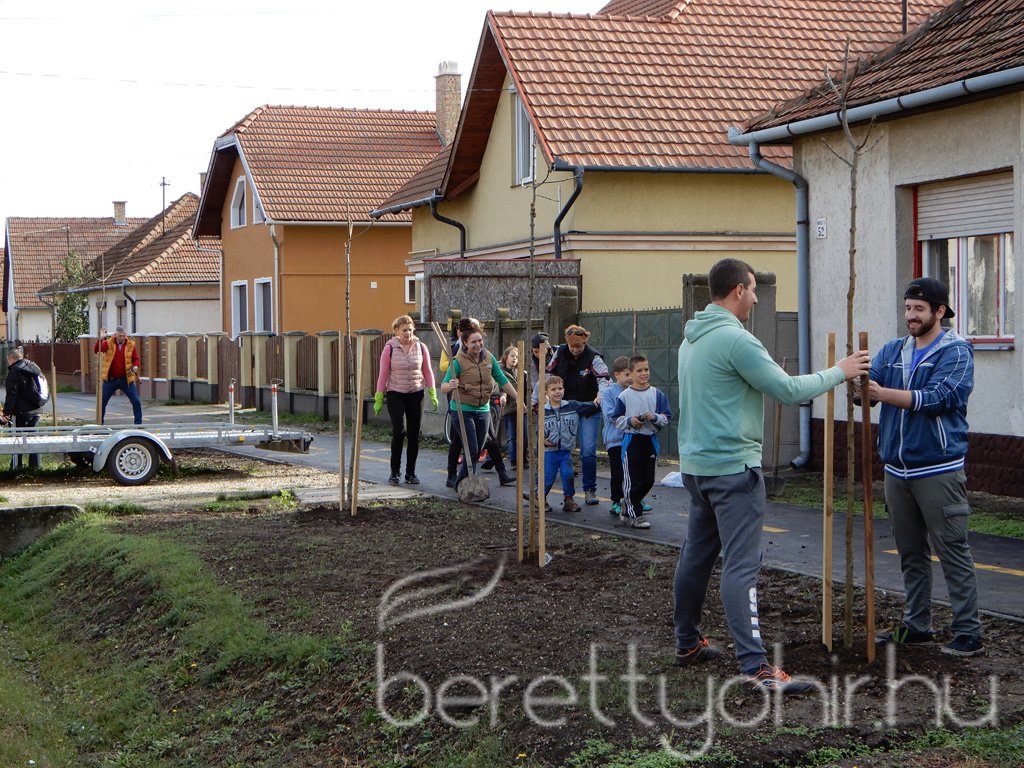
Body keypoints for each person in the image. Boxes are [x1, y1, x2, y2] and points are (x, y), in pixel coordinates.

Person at [673, 257, 870, 693]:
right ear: (738, 291)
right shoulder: (736, 341)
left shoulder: (692, 339)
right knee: (741, 566)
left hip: (697, 469)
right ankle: (756, 667)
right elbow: (787, 389)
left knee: (696, 557)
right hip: (732, 471)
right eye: (753, 288)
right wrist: (842, 371)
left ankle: (687, 642)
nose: (757, 297)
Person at [862, 277, 983, 658]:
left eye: (918, 309)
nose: (910, 316)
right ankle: (918, 625)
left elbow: (940, 398)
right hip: (896, 470)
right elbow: (870, 387)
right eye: (907, 308)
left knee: (952, 548)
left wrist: (883, 396)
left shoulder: (956, 352)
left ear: (939, 311)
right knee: (910, 551)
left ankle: (969, 631)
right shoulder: (893, 350)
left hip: (938, 469)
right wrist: (859, 388)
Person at [440, 326, 517, 490]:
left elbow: (502, 379)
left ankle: (464, 483)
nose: (477, 344)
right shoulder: (458, 361)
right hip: (463, 409)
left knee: (479, 448)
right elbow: (444, 386)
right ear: (465, 343)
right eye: (473, 341)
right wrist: (451, 384)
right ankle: (462, 484)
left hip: (483, 409)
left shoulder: (489, 358)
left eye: (480, 340)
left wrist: (518, 398)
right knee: (472, 448)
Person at [546, 324, 610, 505]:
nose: (575, 350)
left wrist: (600, 396)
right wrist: (544, 396)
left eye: (579, 347)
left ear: (585, 343)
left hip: (589, 408)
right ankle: (567, 494)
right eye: (572, 346)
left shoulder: (594, 357)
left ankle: (590, 489)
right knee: (561, 447)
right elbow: (547, 374)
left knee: (588, 451)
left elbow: (604, 378)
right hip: (566, 408)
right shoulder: (559, 353)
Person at [374, 315, 437, 485]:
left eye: (410, 329)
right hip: (396, 393)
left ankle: (411, 473)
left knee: (414, 434)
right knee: (399, 432)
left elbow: (428, 371)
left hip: (416, 393)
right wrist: (379, 396)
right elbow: (383, 374)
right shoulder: (390, 348)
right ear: (396, 331)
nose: (408, 333)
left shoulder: (421, 347)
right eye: (404, 330)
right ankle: (395, 472)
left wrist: (432, 391)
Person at [610, 355, 671, 529]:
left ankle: (626, 502)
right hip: (632, 441)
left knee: (648, 480)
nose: (644, 373)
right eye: (639, 370)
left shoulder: (657, 394)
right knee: (633, 480)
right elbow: (616, 419)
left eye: (646, 369)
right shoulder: (624, 396)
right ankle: (635, 515)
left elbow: (667, 417)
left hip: (650, 440)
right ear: (630, 373)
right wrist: (631, 421)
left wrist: (656, 417)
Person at [541, 375, 599, 513]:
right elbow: (537, 431)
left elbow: (588, 406)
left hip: (565, 451)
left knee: (568, 475)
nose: (557, 392)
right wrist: (542, 440)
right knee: (548, 477)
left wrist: (597, 402)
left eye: (560, 388)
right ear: (546, 393)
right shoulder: (542, 411)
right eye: (553, 389)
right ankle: (540, 498)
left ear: (564, 390)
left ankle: (568, 500)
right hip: (550, 452)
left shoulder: (571, 406)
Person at [2, 347, 44, 468]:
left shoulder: (14, 371)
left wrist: (7, 413)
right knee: (33, 439)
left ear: (11, 359)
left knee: (17, 440)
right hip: (36, 410)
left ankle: (16, 466)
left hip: (20, 412)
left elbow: (12, 394)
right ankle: (35, 467)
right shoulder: (34, 367)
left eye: (8, 361)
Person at [94, 325, 143, 425]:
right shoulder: (108, 343)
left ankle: (138, 425)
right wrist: (100, 338)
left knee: (136, 401)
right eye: (120, 336)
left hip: (126, 379)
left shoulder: (131, 345)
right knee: (102, 402)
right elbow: (97, 350)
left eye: (124, 336)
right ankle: (99, 424)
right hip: (110, 380)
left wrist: (136, 366)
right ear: (116, 335)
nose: (122, 338)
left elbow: (136, 358)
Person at [601, 356, 631, 517]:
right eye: (627, 374)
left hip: (632, 439)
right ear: (616, 374)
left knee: (633, 472)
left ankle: (634, 499)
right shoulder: (609, 393)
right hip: (615, 440)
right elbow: (611, 415)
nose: (630, 378)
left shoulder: (635, 390)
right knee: (618, 472)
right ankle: (616, 501)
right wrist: (630, 419)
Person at [498, 345, 526, 469]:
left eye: (517, 356)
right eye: (512, 356)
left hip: (522, 408)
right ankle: (514, 460)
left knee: (524, 434)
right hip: (509, 409)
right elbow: (500, 389)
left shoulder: (522, 373)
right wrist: (502, 397)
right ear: (506, 357)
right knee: (512, 435)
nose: (515, 359)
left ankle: (524, 459)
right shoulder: (500, 372)